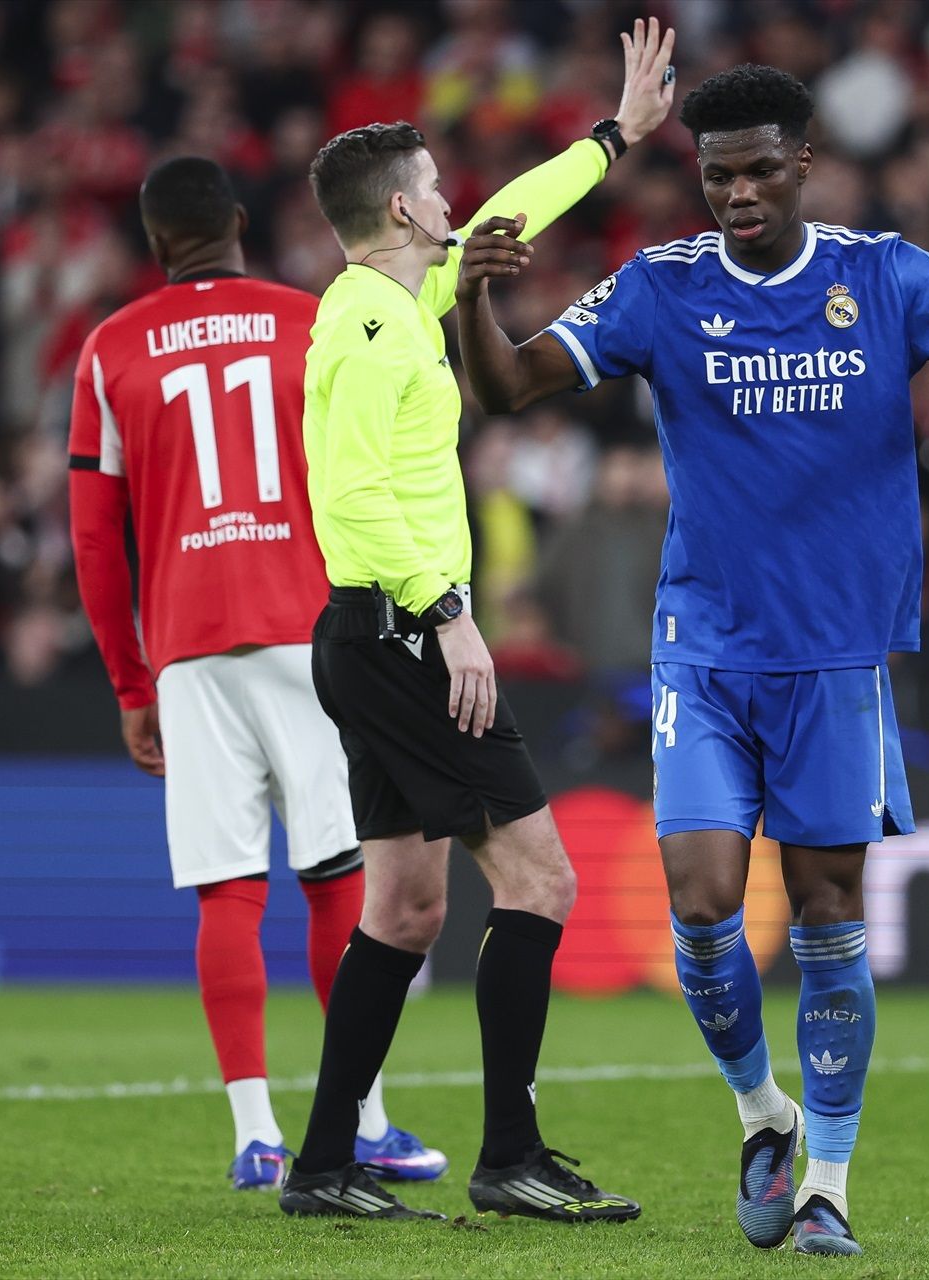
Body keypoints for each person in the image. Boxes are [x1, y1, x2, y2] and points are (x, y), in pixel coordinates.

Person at [455, 63, 929, 1256]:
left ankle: (828, 1185)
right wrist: (473, 302)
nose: (737, 194)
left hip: (837, 659)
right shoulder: (662, 287)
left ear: (804, 162)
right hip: (704, 650)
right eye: (716, 175)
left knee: (829, 910)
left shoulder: (882, 275)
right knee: (701, 903)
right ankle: (763, 1112)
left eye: (757, 170)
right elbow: (511, 384)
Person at [276, 19, 676, 1225]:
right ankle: (512, 1153)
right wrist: (450, 613)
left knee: (405, 908)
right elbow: (350, 496)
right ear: (401, 209)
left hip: (371, 638)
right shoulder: (363, 326)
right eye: (437, 186)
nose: (456, 199)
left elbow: (510, 211)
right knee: (542, 879)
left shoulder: (404, 297)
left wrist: (613, 137)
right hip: (402, 638)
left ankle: (323, 1162)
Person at [67, 157, 445, 1191]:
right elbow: (367, 471)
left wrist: (131, 684)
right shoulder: (312, 318)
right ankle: (363, 1118)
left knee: (227, 892)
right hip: (309, 625)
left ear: (156, 244)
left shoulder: (109, 348)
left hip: (188, 645)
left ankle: (255, 1132)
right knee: (336, 876)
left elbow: (94, 541)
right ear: (238, 221)